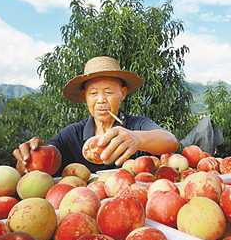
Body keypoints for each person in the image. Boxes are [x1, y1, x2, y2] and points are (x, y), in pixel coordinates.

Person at [13, 56, 179, 174]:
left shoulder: (137, 126)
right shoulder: (72, 135)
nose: (101, 100)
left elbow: (170, 141)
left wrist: (137, 139)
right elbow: (44, 165)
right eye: (93, 93)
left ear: (122, 93)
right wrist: (28, 159)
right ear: (85, 96)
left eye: (108, 92)